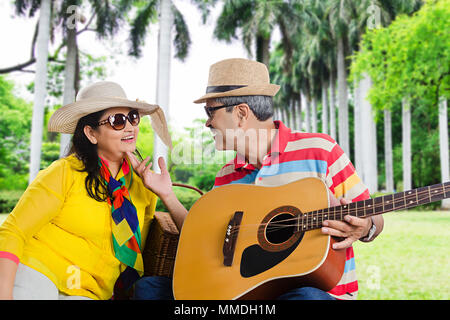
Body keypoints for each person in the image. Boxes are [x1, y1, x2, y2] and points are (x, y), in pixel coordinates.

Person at [192, 58, 384, 300]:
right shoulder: (226, 175)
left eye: (210, 111)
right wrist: (167, 194)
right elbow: (209, 239)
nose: (207, 122)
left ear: (241, 114)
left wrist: (367, 226)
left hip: (321, 294)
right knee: (151, 288)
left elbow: (373, 212)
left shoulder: (320, 150)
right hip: (250, 294)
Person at [0, 81, 187, 300]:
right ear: (91, 133)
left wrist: (166, 193)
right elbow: (13, 231)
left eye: (133, 117)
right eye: (117, 121)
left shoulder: (144, 187)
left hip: (89, 291)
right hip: (40, 269)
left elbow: (136, 251)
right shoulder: (64, 172)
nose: (130, 127)